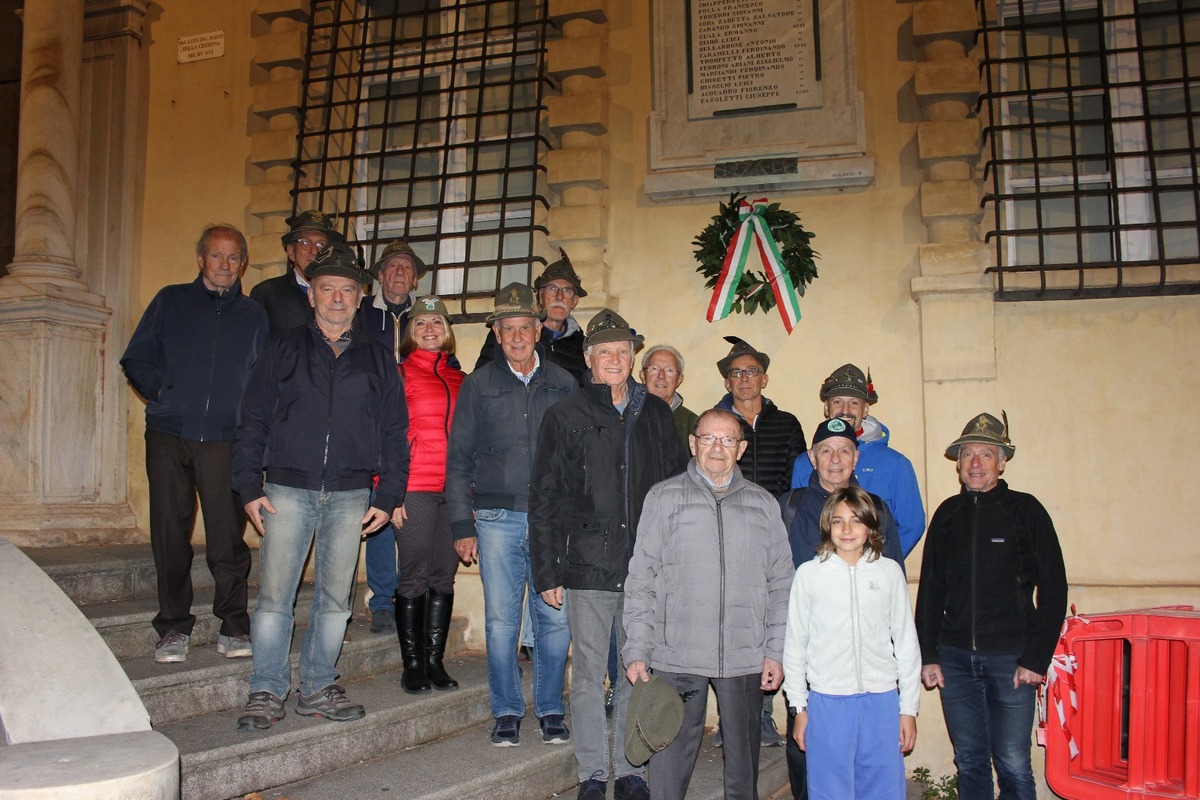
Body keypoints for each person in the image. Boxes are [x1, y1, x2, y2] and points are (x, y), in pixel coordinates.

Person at [231, 242, 409, 731]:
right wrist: (249, 485)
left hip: (351, 494)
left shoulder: (377, 358)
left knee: (335, 601)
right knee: (274, 599)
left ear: (358, 298)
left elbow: (396, 430)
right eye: (327, 289)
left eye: (346, 290)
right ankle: (266, 689)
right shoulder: (282, 348)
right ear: (311, 296)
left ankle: (316, 685)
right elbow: (253, 419)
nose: (336, 298)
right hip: (287, 489)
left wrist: (389, 494)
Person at [530, 308, 688, 800]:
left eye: (623, 351)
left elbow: (674, 491)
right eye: (605, 352)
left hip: (645, 571)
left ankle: (631, 770)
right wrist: (547, 570)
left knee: (636, 672)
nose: (614, 359)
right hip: (586, 568)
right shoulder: (565, 416)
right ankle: (593, 774)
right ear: (589, 359)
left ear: (632, 357)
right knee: (588, 677)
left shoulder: (657, 414)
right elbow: (546, 496)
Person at [624, 409, 794, 800]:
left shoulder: (763, 504)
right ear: (693, 443)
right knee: (667, 766)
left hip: (745, 658)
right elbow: (641, 578)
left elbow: (782, 583)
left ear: (741, 448)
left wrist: (775, 651)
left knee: (743, 772)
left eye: (728, 440)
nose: (718, 447)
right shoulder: (664, 498)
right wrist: (637, 647)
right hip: (676, 655)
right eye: (709, 438)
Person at [120, 224, 268, 663]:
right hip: (169, 434)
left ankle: (234, 625)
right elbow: (137, 358)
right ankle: (172, 627)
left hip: (226, 440)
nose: (225, 265)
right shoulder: (170, 301)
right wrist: (163, 393)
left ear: (243, 261)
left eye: (234, 257)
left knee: (227, 537)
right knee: (170, 533)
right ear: (201, 258)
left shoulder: (255, 315)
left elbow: (263, 380)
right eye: (217, 256)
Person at [445, 283, 577, 747]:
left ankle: (550, 709)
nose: (518, 336)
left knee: (554, 620)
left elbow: (578, 459)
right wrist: (462, 524)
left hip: (551, 521)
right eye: (508, 328)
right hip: (496, 519)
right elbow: (458, 457)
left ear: (539, 330)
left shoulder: (564, 383)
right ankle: (505, 710)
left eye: (526, 327)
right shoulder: (479, 385)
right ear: (497, 334)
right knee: (501, 621)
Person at [915, 413, 1068, 800]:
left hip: (1012, 660)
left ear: (1002, 462)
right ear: (959, 463)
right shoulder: (947, 514)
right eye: (968, 454)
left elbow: (1053, 587)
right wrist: (928, 654)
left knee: (1014, 761)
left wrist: (1036, 658)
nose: (977, 463)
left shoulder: (1025, 511)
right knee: (969, 759)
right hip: (954, 661)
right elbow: (930, 589)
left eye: (987, 454)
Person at [777, 417, 905, 799]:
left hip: (868, 665)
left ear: (856, 457)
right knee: (806, 747)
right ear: (812, 458)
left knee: (872, 766)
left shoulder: (875, 509)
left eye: (844, 450)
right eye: (826, 450)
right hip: (810, 656)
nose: (835, 459)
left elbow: (892, 576)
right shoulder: (790, 506)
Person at [712, 335, 806, 747]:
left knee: (765, 627)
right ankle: (730, 720)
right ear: (728, 380)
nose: (744, 378)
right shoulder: (715, 422)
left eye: (751, 371)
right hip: (723, 536)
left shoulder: (787, 424)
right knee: (725, 624)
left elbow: (797, 478)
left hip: (772, 537)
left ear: (764, 379)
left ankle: (761, 717)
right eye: (737, 372)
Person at [392, 295, 466, 694]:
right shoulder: (400, 374)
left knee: (444, 575)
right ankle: (413, 664)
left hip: (453, 490)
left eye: (437, 322)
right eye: (421, 323)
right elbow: (385, 434)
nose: (429, 329)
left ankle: (435, 662)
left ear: (447, 331)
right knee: (415, 574)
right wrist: (388, 492)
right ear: (411, 332)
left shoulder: (461, 379)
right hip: (415, 487)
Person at [359, 239, 427, 636]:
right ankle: (383, 600)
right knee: (380, 510)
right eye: (392, 267)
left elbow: (445, 363)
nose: (399, 274)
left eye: (406, 268)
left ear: (415, 276)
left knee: (415, 514)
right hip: (373, 430)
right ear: (380, 275)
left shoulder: (426, 316)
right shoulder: (362, 314)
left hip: (418, 432)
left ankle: (411, 595)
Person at [790, 364, 926, 556]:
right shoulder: (804, 463)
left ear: (866, 409)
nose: (845, 410)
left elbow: (911, 525)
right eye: (837, 402)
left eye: (854, 403)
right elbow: (797, 524)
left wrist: (876, 563)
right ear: (826, 408)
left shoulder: (896, 464)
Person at [475, 250, 588, 382]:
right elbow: (481, 381)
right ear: (540, 295)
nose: (559, 296)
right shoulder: (506, 333)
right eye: (552, 288)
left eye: (567, 291)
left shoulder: (582, 345)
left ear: (575, 301)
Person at [250, 209, 344, 336]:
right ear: (291, 252)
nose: (314, 251)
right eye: (305, 243)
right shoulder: (267, 294)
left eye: (321, 244)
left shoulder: (343, 296)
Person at [639, 344, 698, 449]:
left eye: (669, 370)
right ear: (643, 376)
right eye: (654, 368)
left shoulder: (693, 424)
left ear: (679, 379)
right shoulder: (626, 416)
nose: (661, 376)